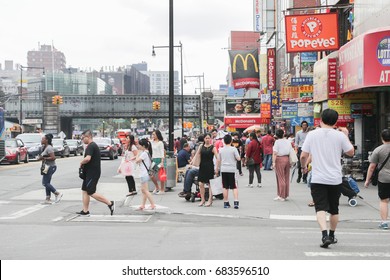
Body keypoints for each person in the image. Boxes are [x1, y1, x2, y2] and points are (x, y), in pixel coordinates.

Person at [300, 109, 354, 248]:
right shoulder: (340, 136)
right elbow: (351, 152)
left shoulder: (312, 134)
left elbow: (303, 156)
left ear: (321, 119)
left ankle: (324, 235)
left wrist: (303, 166)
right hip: (335, 178)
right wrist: (346, 135)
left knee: (320, 208)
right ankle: (332, 235)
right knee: (334, 209)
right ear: (336, 121)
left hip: (318, 178)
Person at [78, 130, 115, 216]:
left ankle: (110, 203)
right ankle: (85, 210)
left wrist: (81, 162)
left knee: (90, 192)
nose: (82, 140)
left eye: (83, 138)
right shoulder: (90, 146)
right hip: (89, 173)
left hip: (92, 173)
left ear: (88, 137)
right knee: (84, 190)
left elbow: (87, 158)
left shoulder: (91, 146)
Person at [364, 128, 390, 230]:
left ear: (382, 138)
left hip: (383, 178)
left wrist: (367, 180)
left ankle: (384, 222)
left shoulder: (378, 150)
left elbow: (372, 167)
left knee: (384, 201)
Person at [216, 134, 241, 209]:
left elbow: (218, 160)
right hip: (232, 169)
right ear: (231, 141)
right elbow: (238, 158)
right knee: (234, 186)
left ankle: (226, 202)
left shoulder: (220, 150)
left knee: (225, 186)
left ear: (224, 141)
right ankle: (236, 202)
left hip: (224, 169)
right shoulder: (234, 149)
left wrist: (217, 168)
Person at [195, 133, 218, 206]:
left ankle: (210, 200)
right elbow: (197, 154)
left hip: (210, 166)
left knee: (210, 184)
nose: (207, 140)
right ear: (204, 139)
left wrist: (217, 168)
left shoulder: (213, 147)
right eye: (206, 138)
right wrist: (193, 163)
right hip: (202, 166)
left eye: (209, 138)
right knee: (201, 183)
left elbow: (218, 158)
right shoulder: (201, 146)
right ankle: (203, 199)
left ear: (210, 139)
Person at [39, 134, 63, 204]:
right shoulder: (45, 147)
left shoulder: (49, 147)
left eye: (43, 139)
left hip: (50, 167)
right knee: (47, 183)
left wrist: (44, 158)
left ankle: (57, 193)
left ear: (46, 140)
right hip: (46, 166)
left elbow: (53, 158)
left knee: (45, 183)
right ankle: (48, 198)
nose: (41, 140)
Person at [135, 139, 156, 210]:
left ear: (143, 146)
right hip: (145, 173)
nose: (138, 146)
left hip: (143, 174)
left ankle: (152, 204)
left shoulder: (144, 153)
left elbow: (137, 161)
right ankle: (143, 205)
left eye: (139, 145)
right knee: (144, 190)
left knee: (145, 190)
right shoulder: (147, 152)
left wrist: (137, 153)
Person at [272, 129, 292, 201]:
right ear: (283, 134)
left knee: (280, 178)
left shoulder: (277, 142)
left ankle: (281, 195)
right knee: (286, 178)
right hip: (287, 158)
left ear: (276, 135)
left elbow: (274, 153)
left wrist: (273, 162)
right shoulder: (288, 141)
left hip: (279, 159)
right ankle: (285, 194)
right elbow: (290, 151)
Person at [150, 130, 166, 194]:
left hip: (159, 159)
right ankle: (157, 187)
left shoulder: (160, 143)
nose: (153, 136)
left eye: (154, 134)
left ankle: (162, 190)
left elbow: (162, 152)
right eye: (152, 134)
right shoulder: (152, 142)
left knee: (161, 175)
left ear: (157, 135)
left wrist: (162, 162)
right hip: (154, 159)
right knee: (151, 174)